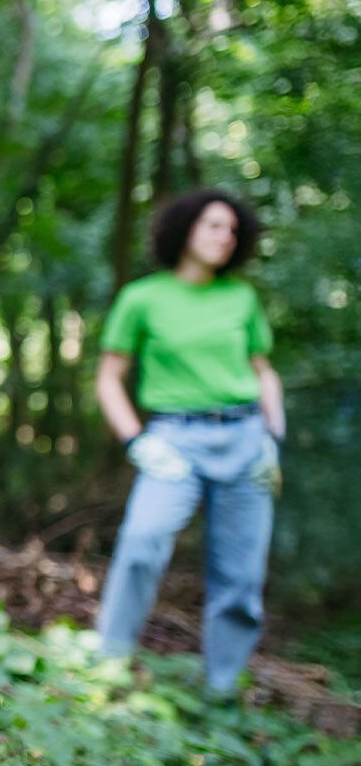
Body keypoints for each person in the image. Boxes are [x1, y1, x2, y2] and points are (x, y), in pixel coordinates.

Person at [94, 189, 284, 696]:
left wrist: (272, 436)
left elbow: (262, 371)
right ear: (185, 230)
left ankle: (222, 686)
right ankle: (107, 664)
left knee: (240, 577)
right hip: (173, 442)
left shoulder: (241, 297)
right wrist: (136, 440)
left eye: (232, 230)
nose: (225, 237)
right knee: (140, 542)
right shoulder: (143, 298)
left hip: (246, 440)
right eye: (214, 226)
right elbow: (109, 378)